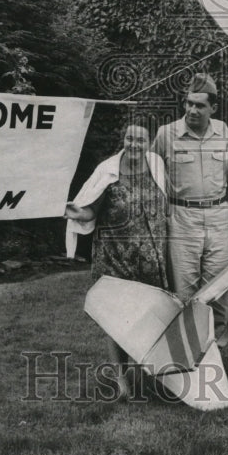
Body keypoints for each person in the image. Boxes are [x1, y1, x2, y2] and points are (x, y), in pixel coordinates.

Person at [64, 122, 169, 398]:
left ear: (149, 143)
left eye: (141, 140)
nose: (134, 144)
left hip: (149, 256)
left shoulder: (157, 164)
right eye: (129, 138)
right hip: (114, 255)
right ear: (124, 139)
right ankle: (122, 382)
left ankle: (142, 376)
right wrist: (72, 212)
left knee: (146, 317)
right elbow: (90, 211)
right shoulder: (108, 169)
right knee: (115, 317)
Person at [151, 73, 228, 348]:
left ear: (213, 108)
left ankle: (216, 350)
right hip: (182, 218)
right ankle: (184, 356)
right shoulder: (166, 134)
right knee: (184, 289)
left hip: (219, 217)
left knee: (220, 286)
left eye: (199, 105)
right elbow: (151, 174)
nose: (192, 110)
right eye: (189, 104)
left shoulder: (224, 132)